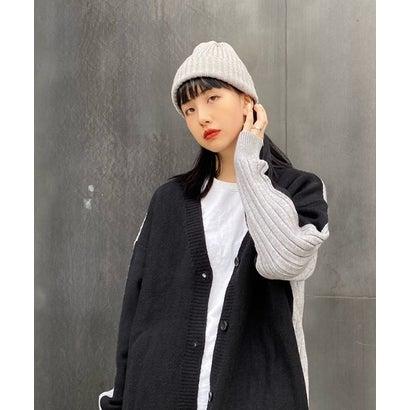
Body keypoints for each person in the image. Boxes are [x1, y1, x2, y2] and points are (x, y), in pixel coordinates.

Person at [99, 40, 330, 410]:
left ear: (247, 102)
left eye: (212, 98)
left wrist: (249, 163)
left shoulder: (298, 189)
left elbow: (284, 261)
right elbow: (136, 309)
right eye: (189, 109)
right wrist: (120, 398)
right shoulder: (169, 200)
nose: (201, 117)